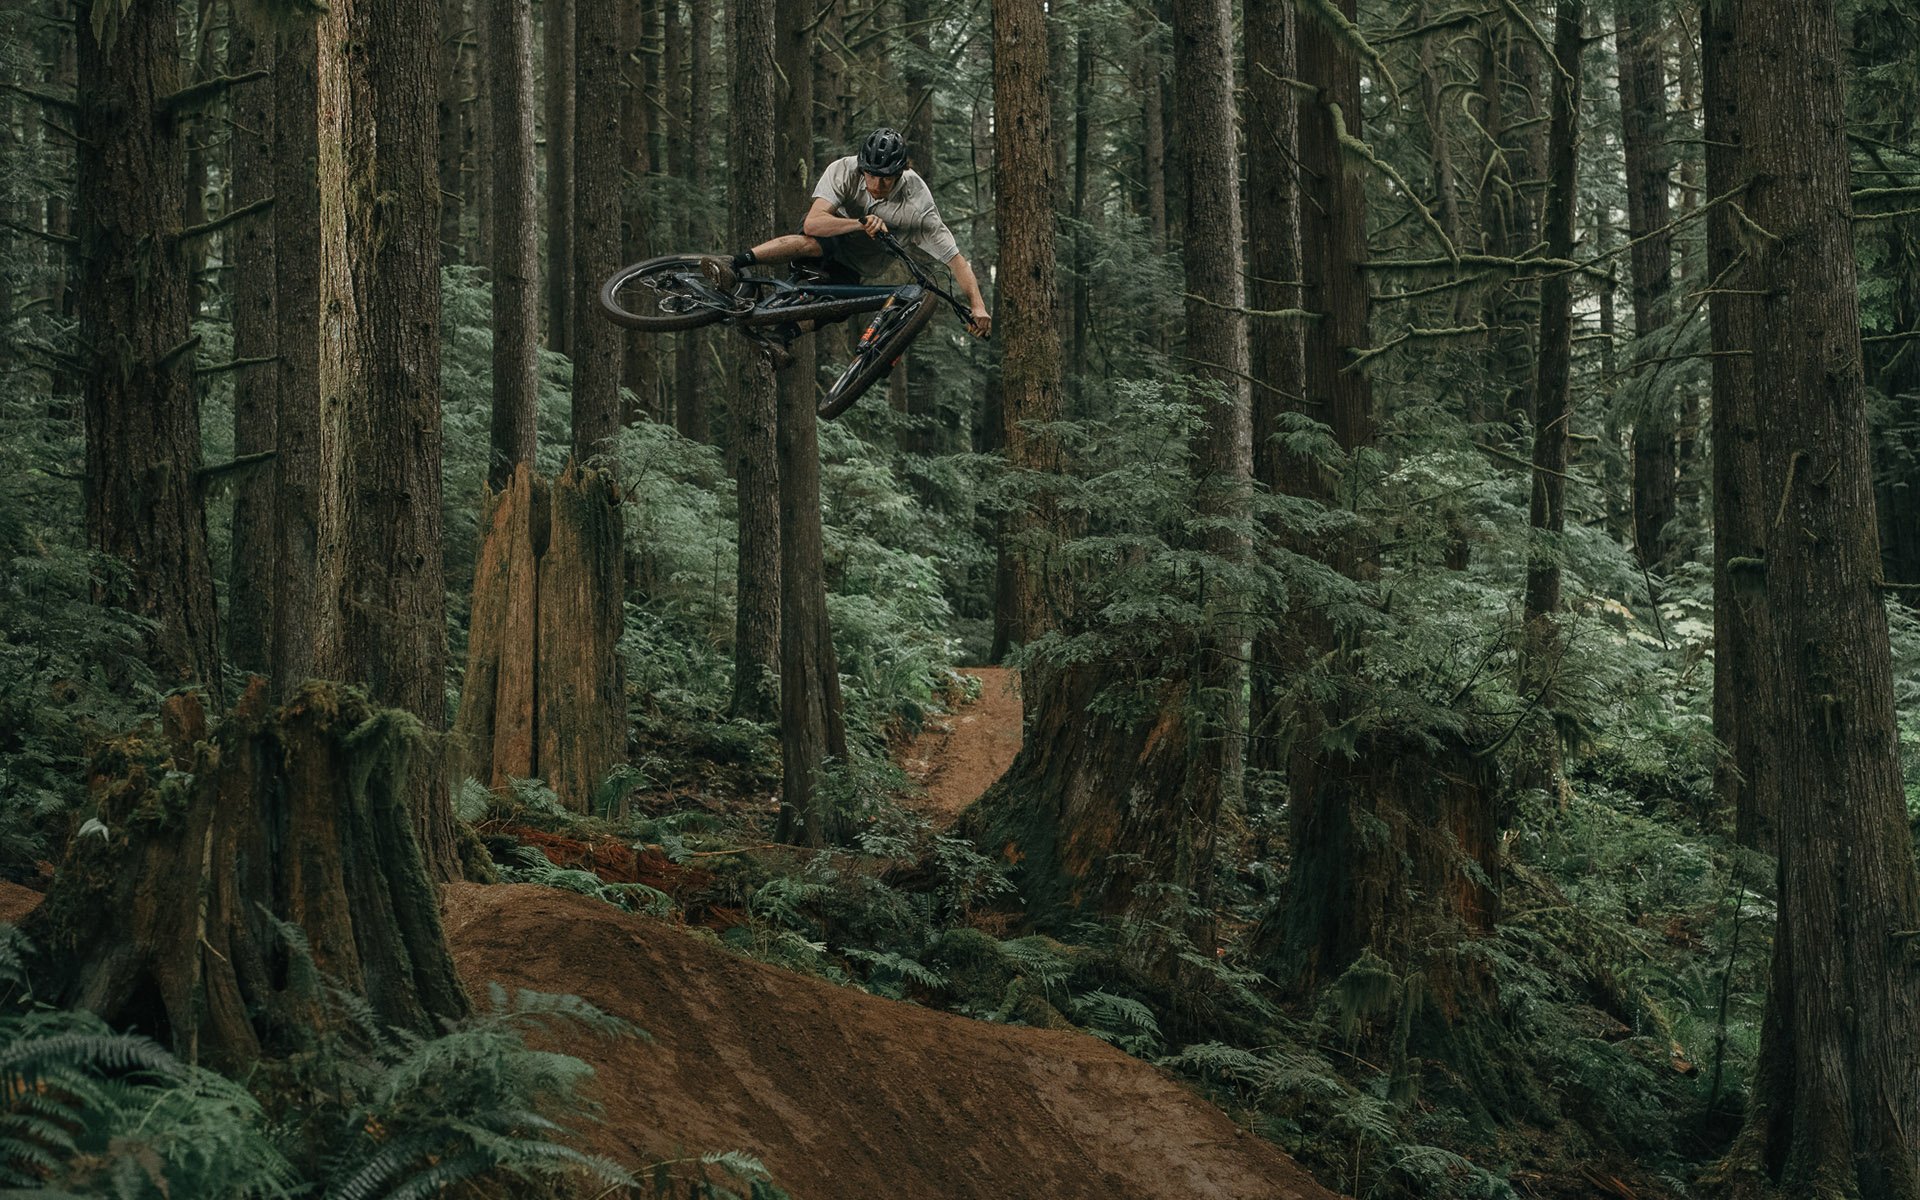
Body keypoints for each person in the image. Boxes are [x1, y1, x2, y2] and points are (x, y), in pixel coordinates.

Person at [702, 128, 992, 363]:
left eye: (887, 178)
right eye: (871, 175)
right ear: (862, 166)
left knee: (837, 308)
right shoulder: (844, 169)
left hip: (856, 265)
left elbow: (957, 261)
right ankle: (734, 263)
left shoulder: (918, 207)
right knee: (815, 244)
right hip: (830, 235)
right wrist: (861, 222)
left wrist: (977, 306)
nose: (877, 184)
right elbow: (814, 223)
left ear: (901, 173)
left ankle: (780, 336)